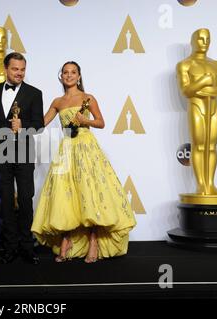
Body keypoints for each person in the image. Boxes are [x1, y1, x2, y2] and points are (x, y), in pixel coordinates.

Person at [31, 61, 136, 263]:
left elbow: (101, 122)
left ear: (79, 76)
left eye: (73, 72)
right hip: (67, 149)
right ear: (61, 76)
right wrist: (22, 123)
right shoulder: (57, 101)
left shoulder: (88, 98)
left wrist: (85, 120)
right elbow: (40, 125)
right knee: (66, 196)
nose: (69, 75)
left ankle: (94, 241)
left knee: (90, 194)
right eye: (66, 72)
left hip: (86, 148)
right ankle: (67, 239)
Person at [0, 52, 44, 265]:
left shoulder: (34, 93)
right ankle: (9, 246)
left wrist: (24, 127)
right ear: (5, 69)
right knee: (4, 200)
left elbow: (39, 124)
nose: (19, 73)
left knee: (25, 199)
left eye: (22, 69)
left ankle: (26, 246)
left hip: (24, 152)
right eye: (15, 69)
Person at [176, 28, 217, 195]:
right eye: (200, 39)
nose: (204, 43)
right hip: (197, 106)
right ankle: (200, 186)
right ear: (192, 41)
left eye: (207, 39)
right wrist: (204, 82)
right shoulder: (185, 65)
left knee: (211, 147)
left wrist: (206, 90)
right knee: (198, 145)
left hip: (213, 108)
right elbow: (186, 91)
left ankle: (210, 184)